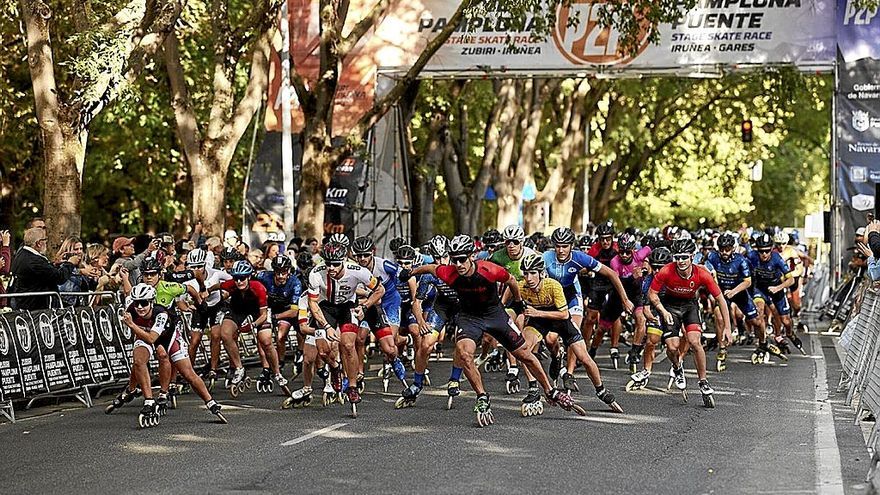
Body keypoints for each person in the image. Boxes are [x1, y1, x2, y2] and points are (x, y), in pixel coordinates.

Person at [402, 234, 583, 427]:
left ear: (471, 256)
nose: (459, 264)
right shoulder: (449, 272)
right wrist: (411, 272)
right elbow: (429, 268)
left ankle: (549, 390)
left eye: (462, 259)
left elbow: (512, 281)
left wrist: (519, 303)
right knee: (464, 353)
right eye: (455, 260)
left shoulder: (488, 269)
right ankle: (482, 396)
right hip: (470, 318)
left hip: (495, 315)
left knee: (525, 354)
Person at [508, 254, 623, 415]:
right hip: (539, 322)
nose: (529, 278)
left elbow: (563, 315)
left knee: (584, 357)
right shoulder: (521, 286)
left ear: (541, 273)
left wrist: (536, 313)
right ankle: (534, 387)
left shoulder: (553, 286)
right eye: (525, 273)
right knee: (523, 350)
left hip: (560, 320)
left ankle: (601, 389)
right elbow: (509, 289)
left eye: (533, 273)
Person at [108, 283, 226, 427]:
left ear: (151, 302)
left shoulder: (161, 313)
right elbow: (127, 293)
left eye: (143, 303)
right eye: (136, 303)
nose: (139, 307)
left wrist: (132, 325)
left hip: (168, 337)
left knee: (187, 373)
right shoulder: (131, 308)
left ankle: (210, 402)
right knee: (138, 361)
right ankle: (149, 400)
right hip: (144, 335)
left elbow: (152, 338)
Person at [306, 242, 381, 417]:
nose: (331, 268)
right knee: (323, 351)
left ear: (344, 261)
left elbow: (380, 290)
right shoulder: (316, 273)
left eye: (335, 264)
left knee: (348, 345)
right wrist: (325, 326)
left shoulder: (358, 271)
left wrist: (365, 306)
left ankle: (353, 386)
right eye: (328, 263)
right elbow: (313, 304)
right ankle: (334, 368)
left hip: (348, 307)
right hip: (325, 308)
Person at [10, 227, 78, 310]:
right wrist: (70, 263)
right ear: (38, 243)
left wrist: (54, 264)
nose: (47, 243)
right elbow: (59, 277)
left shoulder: (22, 253)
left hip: (27, 304)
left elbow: (43, 273)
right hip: (36, 307)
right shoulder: (34, 260)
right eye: (45, 240)